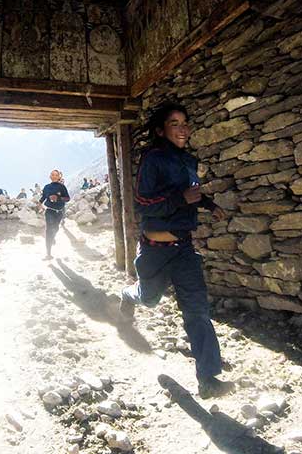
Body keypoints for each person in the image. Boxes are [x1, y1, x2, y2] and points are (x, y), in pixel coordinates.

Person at [119, 102, 233, 399]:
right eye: (174, 123)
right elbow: (142, 203)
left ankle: (208, 378)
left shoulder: (187, 161)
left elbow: (190, 195)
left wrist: (208, 204)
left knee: (197, 311)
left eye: (185, 122)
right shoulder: (153, 159)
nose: (183, 128)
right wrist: (180, 199)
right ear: (160, 130)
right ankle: (129, 294)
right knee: (149, 299)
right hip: (155, 250)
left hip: (184, 249)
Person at [39, 169, 70, 260]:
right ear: (50, 176)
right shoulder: (47, 187)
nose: (54, 176)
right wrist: (39, 204)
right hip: (49, 211)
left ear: (59, 176)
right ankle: (48, 254)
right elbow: (43, 197)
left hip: (59, 212)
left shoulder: (62, 187)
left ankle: (52, 238)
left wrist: (58, 198)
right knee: (49, 231)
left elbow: (67, 198)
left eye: (56, 175)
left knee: (55, 229)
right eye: (52, 174)